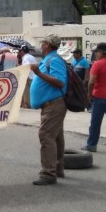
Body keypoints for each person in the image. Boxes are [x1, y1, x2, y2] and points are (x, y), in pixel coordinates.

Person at [28, 34, 68, 185]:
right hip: (51, 104)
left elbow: (60, 82)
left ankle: (48, 173)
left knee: (46, 135)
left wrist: (38, 73)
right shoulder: (49, 59)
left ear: (47, 45)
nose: (41, 44)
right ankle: (57, 168)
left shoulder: (54, 60)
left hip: (54, 104)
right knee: (56, 136)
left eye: (43, 42)